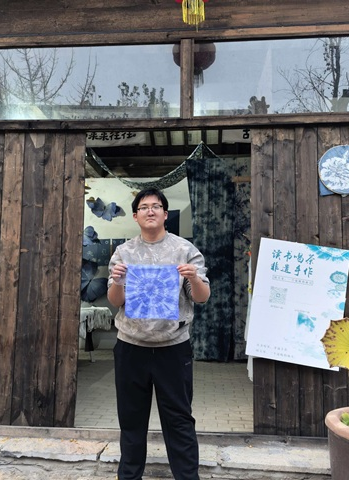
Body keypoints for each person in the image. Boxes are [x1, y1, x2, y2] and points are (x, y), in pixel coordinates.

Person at [107, 187, 210, 480]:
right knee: (131, 420)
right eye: (143, 207)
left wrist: (193, 278)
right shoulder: (124, 252)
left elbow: (202, 297)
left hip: (173, 347)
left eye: (155, 206)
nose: (150, 211)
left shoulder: (184, 250)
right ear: (135, 216)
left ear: (165, 214)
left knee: (179, 420)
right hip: (131, 346)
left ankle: (187, 477)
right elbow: (115, 300)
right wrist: (117, 281)